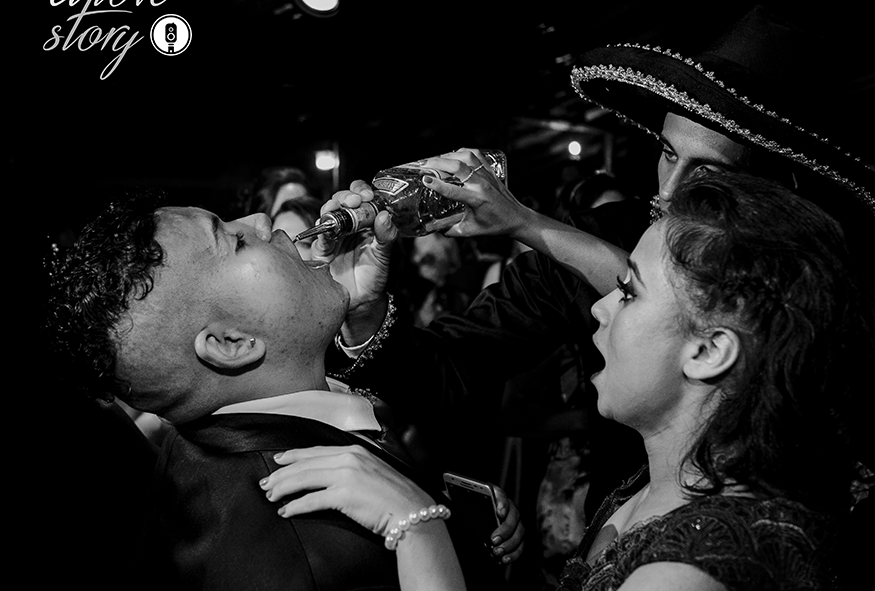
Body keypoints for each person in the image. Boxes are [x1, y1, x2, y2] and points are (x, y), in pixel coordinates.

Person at [322, 5, 875, 589]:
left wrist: (757, 561)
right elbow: (446, 371)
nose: (671, 191)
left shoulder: (851, 291)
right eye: (666, 154)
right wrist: (366, 308)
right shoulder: (602, 234)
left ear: (776, 193)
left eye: (710, 172)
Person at [261, 171, 875, 590]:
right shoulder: (662, 481)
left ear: (712, 350)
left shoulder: (686, 573)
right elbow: (446, 366)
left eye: (627, 292)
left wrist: (415, 529)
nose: (601, 308)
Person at [44, 191, 522, 590]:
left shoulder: (212, 443)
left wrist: (458, 524)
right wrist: (423, 527)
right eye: (234, 241)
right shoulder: (309, 547)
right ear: (232, 344)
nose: (259, 219)